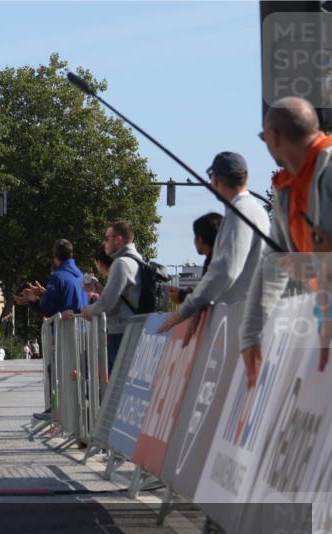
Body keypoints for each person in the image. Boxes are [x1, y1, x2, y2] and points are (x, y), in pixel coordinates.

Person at [242, 96, 332, 386]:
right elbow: (273, 261)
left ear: (274, 136)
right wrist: (251, 335)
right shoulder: (287, 190)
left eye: (263, 138)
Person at [160, 153, 264, 337]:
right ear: (245, 178)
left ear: (214, 179)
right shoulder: (258, 210)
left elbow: (226, 270)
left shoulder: (238, 212)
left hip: (240, 322)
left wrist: (188, 308)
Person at [68, 222, 142, 375]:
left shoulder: (121, 264)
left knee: (117, 380)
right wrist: (100, 288)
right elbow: (122, 296)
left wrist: (87, 311)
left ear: (118, 239)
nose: (104, 243)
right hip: (136, 327)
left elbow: (107, 303)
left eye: (107, 238)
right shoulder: (138, 260)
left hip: (121, 331)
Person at [17, 239, 90, 317]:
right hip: (83, 328)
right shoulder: (81, 276)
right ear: (71, 254)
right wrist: (43, 294)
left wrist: (32, 299)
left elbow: (47, 310)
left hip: (63, 328)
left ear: (55, 255)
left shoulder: (57, 277)